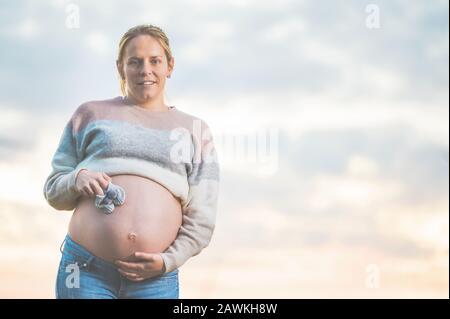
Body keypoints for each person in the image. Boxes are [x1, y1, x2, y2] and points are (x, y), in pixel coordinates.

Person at [43, 24, 220, 299]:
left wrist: (166, 261)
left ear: (169, 66)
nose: (145, 70)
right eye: (134, 62)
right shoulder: (89, 114)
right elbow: (54, 190)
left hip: (156, 281)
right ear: (120, 68)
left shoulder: (195, 130)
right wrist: (77, 179)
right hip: (84, 270)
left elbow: (203, 218)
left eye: (155, 61)